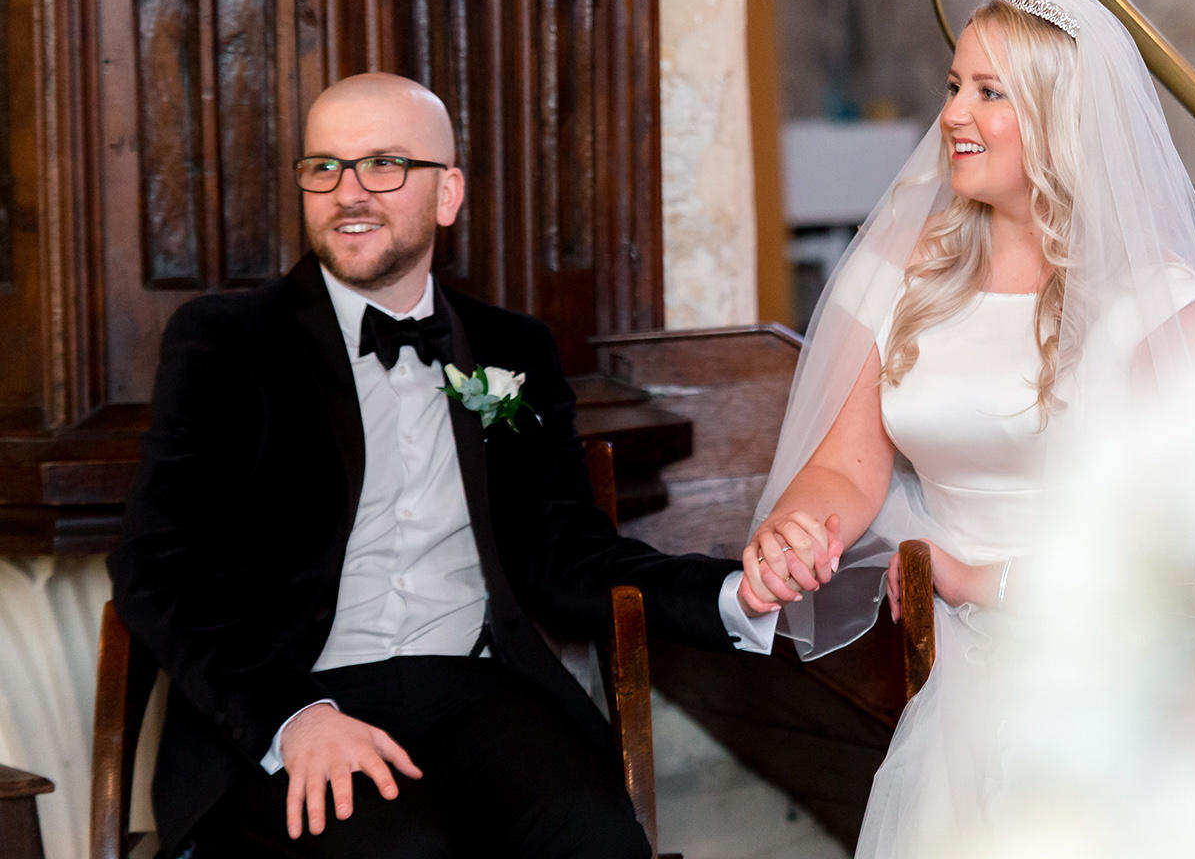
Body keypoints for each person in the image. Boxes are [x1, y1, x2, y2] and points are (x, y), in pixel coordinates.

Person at [111, 73, 785, 858]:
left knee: (594, 837)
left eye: (384, 165)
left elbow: (568, 554)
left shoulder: (513, 350)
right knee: (409, 852)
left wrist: (734, 594)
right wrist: (291, 721)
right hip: (296, 701)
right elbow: (158, 566)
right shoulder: (227, 343)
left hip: (478, 692)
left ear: (447, 193)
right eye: (324, 168)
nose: (348, 192)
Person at [735, 0, 1195, 856]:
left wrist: (976, 581)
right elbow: (848, 465)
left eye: (990, 93)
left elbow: (1188, 542)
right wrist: (798, 531)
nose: (952, 114)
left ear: (1061, 119)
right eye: (954, 86)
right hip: (961, 633)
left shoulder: (1157, 303)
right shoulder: (911, 262)